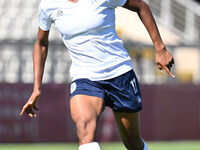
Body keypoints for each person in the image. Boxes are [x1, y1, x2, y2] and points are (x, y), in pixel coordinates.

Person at [20, 0, 175, 150]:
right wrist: (36, 88)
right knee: (84, 128)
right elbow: (41, 43)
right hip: (85, 78)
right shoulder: (48, 4)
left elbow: (141, 6)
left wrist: (160, 48)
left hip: (119, 74)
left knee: (133, 142)